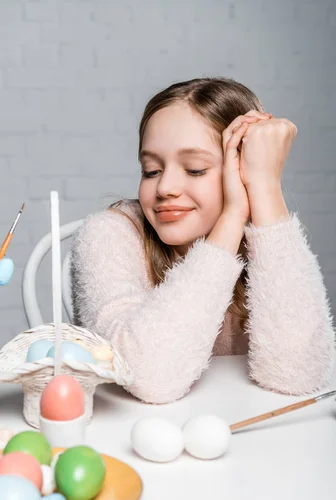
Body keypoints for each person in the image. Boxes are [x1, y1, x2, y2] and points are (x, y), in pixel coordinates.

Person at [70, 76, 335, 404]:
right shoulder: (109, 235)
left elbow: (297, 373)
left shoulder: (268, 239)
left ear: (242, 170)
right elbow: (149, 375)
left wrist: (265, 187)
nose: (165, 186)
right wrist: (231, 216)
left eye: (194, 169)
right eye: (151, 170)